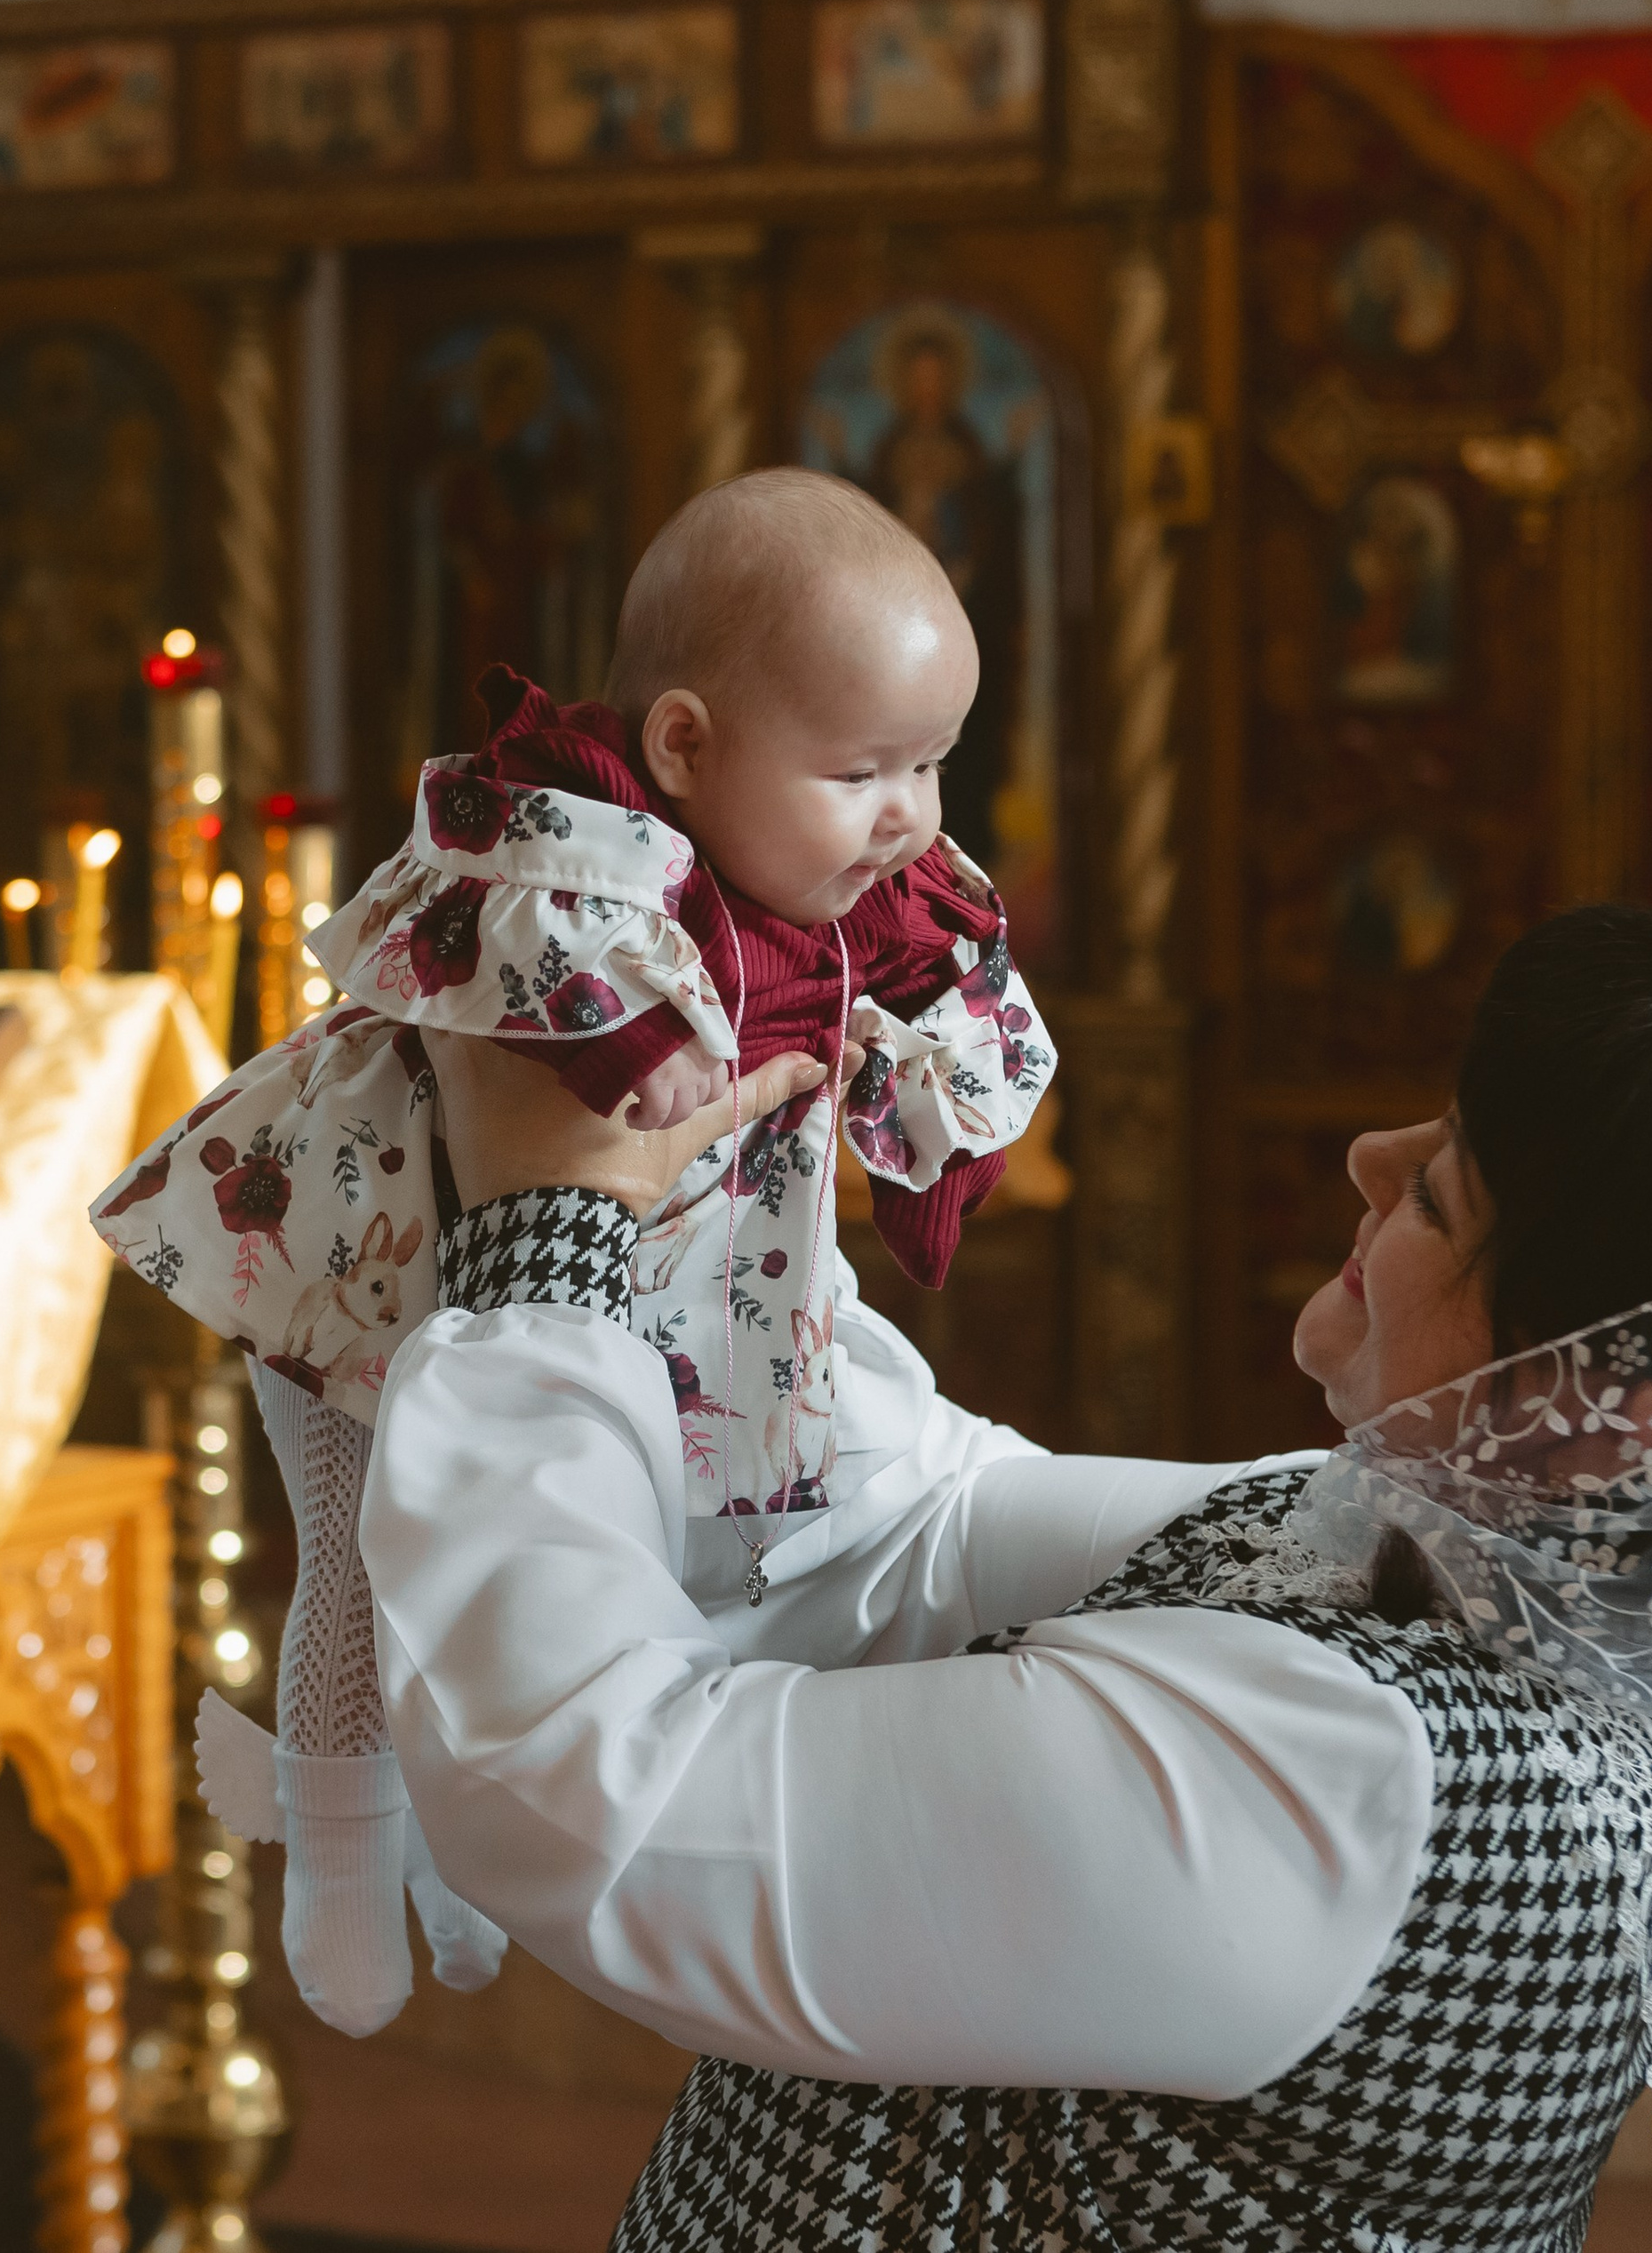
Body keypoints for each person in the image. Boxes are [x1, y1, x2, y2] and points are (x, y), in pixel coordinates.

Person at [360, 901, 1652, 2249]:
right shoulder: (1471, 1562)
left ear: (1611, 1404)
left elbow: (596, 1793)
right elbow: (929, 1519)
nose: (1371, 1155)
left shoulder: (1351, 1777)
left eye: (1443, 1189)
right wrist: (731, 1190)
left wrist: (541, 1238)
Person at [92, 468, 1057, 2033]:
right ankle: (339, 1858)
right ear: (685, 745)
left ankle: (472, 1865)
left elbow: (956, 1004)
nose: (910, 815)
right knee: (363, 1563)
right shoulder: (568, 828)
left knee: (546, 1578)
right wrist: (628, 1035)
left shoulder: (864, 888)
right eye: (865, 766)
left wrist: (935, 1082)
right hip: (366, 1266)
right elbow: (516, 931)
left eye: (936, 763)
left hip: (609, 1293)